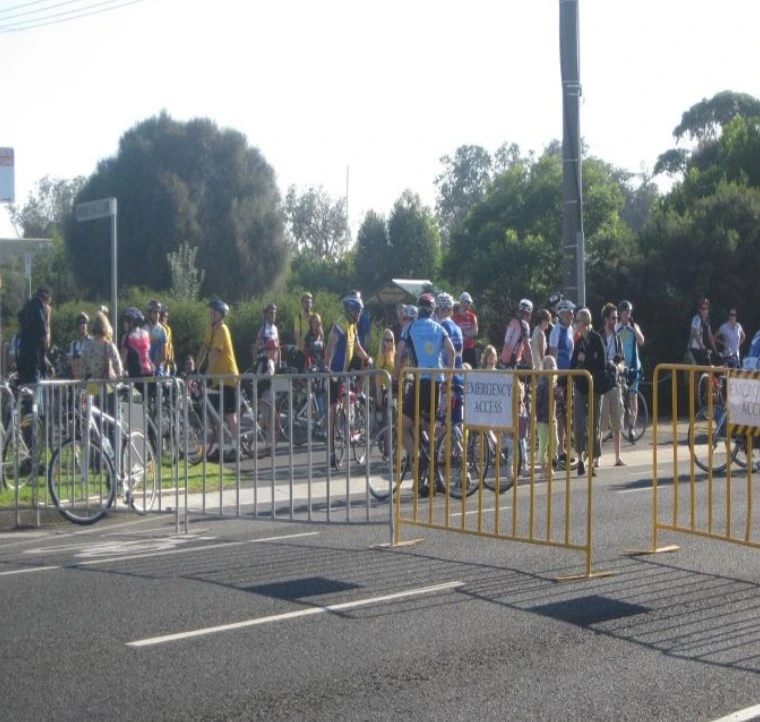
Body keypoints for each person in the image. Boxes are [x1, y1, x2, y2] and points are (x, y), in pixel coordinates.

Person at [393, 292, 456, 497]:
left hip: (420, 379)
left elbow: (400, 352)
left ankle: (417, 461)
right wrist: (448, 379)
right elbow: (452, 352)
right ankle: (433, 473)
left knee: (403, 426)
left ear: (419, 309)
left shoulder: (409, 328)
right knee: (428, 427)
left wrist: (395, 379)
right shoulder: (439, 328)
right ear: (433, 309)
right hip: (437, 382)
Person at [324, 294, 373, 469]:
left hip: (345, 372)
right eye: (357, 311)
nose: (359, 314)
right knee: (332, 410)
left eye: (360, 311)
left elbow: (357, 347)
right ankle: (330, 452)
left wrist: (367, 357)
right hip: (335, 372)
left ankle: (350, 429)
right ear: (350, 311)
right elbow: (330, 346)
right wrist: (327, 367)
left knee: (347, 403)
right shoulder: (341, 324)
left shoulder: (353, 327)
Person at [196, 298, 240, 462]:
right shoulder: (210, 329)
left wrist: (206, 373)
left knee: (230, 416)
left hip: (228, 377)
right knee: (217, 417)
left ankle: (236, 449)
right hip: (217, 378)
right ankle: (221, 449)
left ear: (220, 315)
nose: (210, 314)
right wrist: (196, 369)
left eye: (212, 312)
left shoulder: (223, 329)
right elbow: (204, 349)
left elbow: (214, 355)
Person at [571, 307, 606, 477]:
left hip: (594, 388)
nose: (575, 325)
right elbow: (572, 365)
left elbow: (603, 364)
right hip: (580, 387)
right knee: (578, 423)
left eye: (577, 322)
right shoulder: (578, 343)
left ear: (584, 323)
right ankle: (579, 459)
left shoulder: (597, 340)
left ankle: (592, 460)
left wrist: (589, 364)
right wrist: (562, 384)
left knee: (594, 424)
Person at [548, 299, 576, 463]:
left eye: (572, 313)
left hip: (569, 376)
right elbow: (553, 357)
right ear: (563, 314)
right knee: (559, 415)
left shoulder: (571, 329)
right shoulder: (555, 331)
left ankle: (563, 448)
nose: (572, 315)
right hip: (560, 377)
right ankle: (558, 450)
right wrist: (557, 381)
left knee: (567, 414)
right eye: (570, 313)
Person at [599, 303, 626, 467]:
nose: (616, 321)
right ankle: (597, 456)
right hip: (602, 384)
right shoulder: (599, 337)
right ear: (606, 319)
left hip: (615, 383)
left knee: (617, 422)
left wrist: (619, 367)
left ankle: (617, 457)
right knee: (600, 422)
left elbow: (622, 360)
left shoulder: (617, 340)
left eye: (617, 318)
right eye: (613, 318)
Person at [80, 310, 123, 414]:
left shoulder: (87, 346)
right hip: (107, 386)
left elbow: (83, 367)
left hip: (92, 386)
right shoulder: (109, 345)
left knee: (95, 415)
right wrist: (120, 376)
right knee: (111, 415)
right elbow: (118, 367)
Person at [616, 300, 645, 443]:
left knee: (633, 397)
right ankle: (618, 426)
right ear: (620, 313)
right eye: (625, 313)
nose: (627, 315)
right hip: (621, 367)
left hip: (634, 366)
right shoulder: (617, 327)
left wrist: (634, 328)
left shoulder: (634, 326)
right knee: (619, 398)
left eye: (629, 313)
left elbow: (641, 341)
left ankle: (632, 427)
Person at [435, 292, 465, 425]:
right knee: (456, 424)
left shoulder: (440, 327)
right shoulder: (457, 328)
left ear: (438, 310)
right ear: (451, 310)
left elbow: (439, 354)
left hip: (446, 380)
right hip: (459, 378)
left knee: (440, 424)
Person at [17, 285, 52, 385]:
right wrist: (48, 316)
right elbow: (46, 342)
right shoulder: (40, 308)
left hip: (23, 360)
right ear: (47, 297)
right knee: (36, 397)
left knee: (26, 396)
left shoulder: (27, 307)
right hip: (35, 362)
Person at [536, 355, 558, 478]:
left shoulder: (555, 383)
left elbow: (557, 398)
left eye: (553, 365)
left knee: (555, 442)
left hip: (552, 417)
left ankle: (549, 464)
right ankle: (543, 468)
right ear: (544, 368)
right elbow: (538, 399)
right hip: (542, 418)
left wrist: (559, 392)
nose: (552, 367)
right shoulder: (543, 382)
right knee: (543, 443)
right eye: (549, 365)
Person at [120, 307, 153, 379]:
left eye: (125, 321)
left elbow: (123, 360)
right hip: (150, 373)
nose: (124, 323)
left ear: (131, 322)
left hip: (136, 376)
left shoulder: (127, 336)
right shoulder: (146, 333)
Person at [501, 299, 534, 369]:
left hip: (503, 361)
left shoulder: (512, 322)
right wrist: (532, 364)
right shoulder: (525, 325)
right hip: (512, 363)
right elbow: (526, 346)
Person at [374, 328, 396, 426]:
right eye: (387, 340)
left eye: (391, 340)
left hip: (393, 389)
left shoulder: (395, 354)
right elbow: (377, 374)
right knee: (385, 419)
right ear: (383, 341)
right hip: (384, 390)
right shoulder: (381, 356)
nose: (389, 343)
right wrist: (378, 393)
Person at [688, 297, 718, 366]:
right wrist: (703, 347)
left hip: (700, 350)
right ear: (699, 309)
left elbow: (710, 336)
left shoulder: (707, 320)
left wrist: (716, 351)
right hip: (693, 349)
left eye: (706, 308)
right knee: (695, 371)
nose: (704, 310)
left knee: (708, 365)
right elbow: (695, 334)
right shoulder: (696, 319)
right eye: (702, 308)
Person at [453, 292, 479, 368]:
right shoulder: (455, 317)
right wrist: (468, 332)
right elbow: (454, 333)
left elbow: (474, 332)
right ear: (462, 302)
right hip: (459, 349)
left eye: (469, 302)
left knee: (473, 370)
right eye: (467, 302)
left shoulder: (472, 316)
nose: (469, 304)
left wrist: (462, 332)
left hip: (470, 348)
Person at [66, 312, 92, 380]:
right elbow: (69, 362)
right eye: (80, 323)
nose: (83, 325)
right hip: (77, 379)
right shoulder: (73, 344)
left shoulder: (92, 342)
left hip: (90, 378)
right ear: (77, 326)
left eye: (84, 322)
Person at [145, 300, 168, 376]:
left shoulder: (162, 330)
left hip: (157, 371)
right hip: (144, 370)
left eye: (158, 312)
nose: (157, 315)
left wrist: (153, 366)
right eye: (154, 312)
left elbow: (164, 354)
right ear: (149, 313)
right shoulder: (143, 329)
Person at [295, 292, 315, 370]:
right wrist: (302, 348)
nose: (307, 304)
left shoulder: (314, 317)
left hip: (313, 351)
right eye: (305, 302)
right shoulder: (298, 318)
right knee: (301, 377)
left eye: (309, 302)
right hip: (301, 351)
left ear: (312, 304)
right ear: (302, 304)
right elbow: (297, 335)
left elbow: (320, 333)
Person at [159, 306, 175, 375]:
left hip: (167, 363)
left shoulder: (168, 328)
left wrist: (172, 358)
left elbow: (170, 345)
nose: (165, 318)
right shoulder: (157, 328)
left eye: (166, 317)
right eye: (163, 316)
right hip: (159, 362)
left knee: (167, 384)